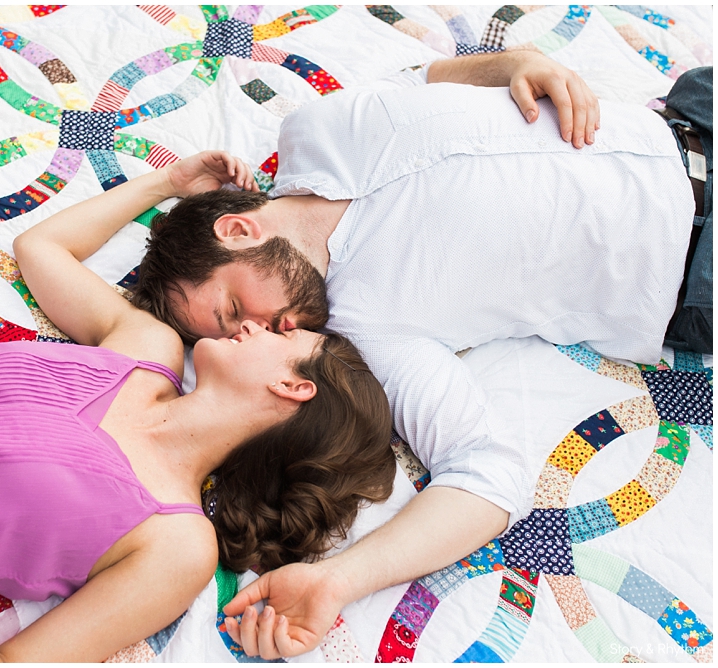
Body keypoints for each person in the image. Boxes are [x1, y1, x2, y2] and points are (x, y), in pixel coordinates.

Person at [110, 53, 710, 658]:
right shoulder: (371, 333)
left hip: (685, 115)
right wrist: (338, 580)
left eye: (236, 311)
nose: (268, 331)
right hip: (695, 256)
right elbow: (487, 477)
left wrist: (516, 62)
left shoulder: (315, 128)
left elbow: (423, 79)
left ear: (239, 232)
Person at [0, 153, 398, 662]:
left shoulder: (177, 545)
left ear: (296, 388)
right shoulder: (147, 351)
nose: (261, 326)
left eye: (283, 335)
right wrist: (167, 182)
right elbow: (41, 247)